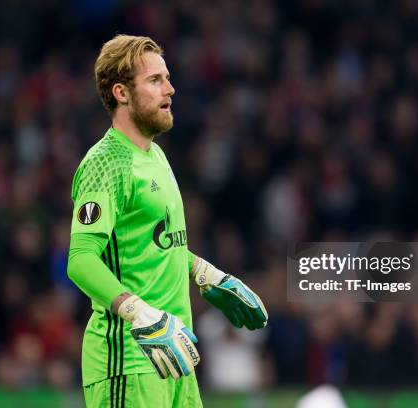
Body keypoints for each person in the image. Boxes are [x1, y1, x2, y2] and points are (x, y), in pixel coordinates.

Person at [66, 34, 268, 408]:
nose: (170, 89)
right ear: (122, 93)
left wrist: (204, 272)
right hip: (129, 362)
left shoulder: (156, 156)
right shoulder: (105, 162)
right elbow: (80, 259)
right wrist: (137, 311)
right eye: (155, 80)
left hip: (175, 356)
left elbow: (153, 245)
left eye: (167, 78)